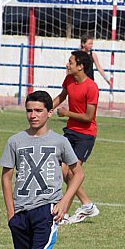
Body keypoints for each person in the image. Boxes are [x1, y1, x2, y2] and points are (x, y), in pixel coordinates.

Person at [0, 90, 85, 249]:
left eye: (38, 111)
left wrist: (65, 201)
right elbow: (6, 178)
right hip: (22, 211)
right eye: (29, 110)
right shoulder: (15, 141)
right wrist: (11, 212)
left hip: (47, 210)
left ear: (49, 112)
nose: (33, 115)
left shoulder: (60, 142)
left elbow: (77, 173)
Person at [53, 50, 101, 224]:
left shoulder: (91, 87)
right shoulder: (69, 80)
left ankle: (63, 213)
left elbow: (89, 117)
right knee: (64, 171)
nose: (68, 64)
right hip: (70, 131)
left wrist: (66, 113)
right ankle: (87, 204)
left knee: (73, 172)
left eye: (71, 62)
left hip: (85, 135)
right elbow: (62, 96)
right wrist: (46, 108)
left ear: (80, 67)